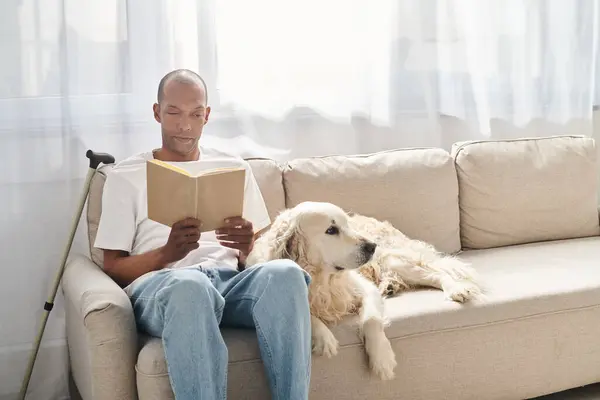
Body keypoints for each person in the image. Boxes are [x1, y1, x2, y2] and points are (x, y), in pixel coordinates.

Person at [93, 69, 312, 400]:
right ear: (157, 112)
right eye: (174, 113)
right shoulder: (125, 176)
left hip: (229, 281)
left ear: (207, 115)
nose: (185, 126)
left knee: (287, 273)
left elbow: (261, 251)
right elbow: (112, 267)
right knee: (190, 286)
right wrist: (166, 254)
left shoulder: (233, 167)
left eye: (196, 114)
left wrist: (246, 247)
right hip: (166, 285)